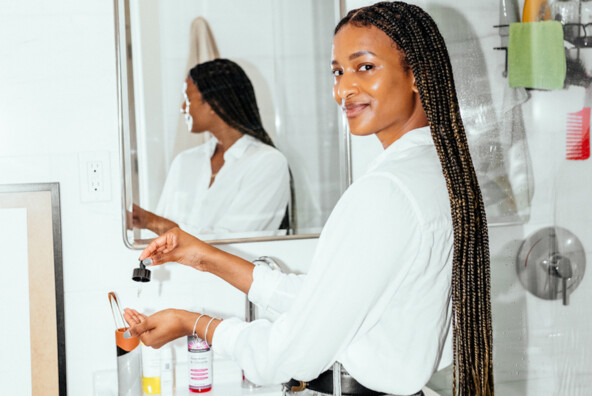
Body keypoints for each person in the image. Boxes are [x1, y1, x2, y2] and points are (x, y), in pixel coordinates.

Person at [124, 3, 493, 395]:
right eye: (337, 71)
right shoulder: (437, 172)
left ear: (417, 74)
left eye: (364, 67)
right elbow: (325, 299)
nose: (343, 89)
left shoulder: (386, 192)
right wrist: (203, 256)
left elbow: (286, 357)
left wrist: (193, 323)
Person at [132, 59, 291, 238]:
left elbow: (233, 242)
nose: (183, 108)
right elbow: (158, 237)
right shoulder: (184, 162)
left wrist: (149, 221)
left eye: (187, 99)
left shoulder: (267, 163)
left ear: (214, 103)